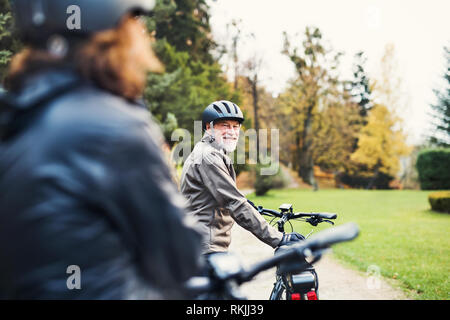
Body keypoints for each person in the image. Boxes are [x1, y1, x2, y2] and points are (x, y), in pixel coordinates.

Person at [0, 0, 202, 299]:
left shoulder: (16, 119)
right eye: (135, 22)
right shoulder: (114, 126)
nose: (142, 36)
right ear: (113, 26)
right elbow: (181, 259)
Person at [180, 100, 304, 256]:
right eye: (224, 125)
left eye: (235, 126)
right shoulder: (208, 156)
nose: (231, 131)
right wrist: (278, 238)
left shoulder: (211, 151)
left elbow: (227, 197)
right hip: (204, 248)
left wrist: (249, 206)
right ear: (208, 127)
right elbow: (234, 202)